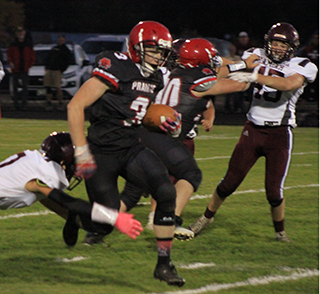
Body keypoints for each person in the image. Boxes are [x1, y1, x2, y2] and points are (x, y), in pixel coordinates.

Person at [67, 20, 186, 287]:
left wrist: (166, 122)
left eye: (162, 51)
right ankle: (76, 217)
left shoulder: (156, 76)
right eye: (153, 49)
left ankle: (164, 265)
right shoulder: (116, 65)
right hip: (101, 152)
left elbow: (138, 113)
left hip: (131, 147)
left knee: (167, 192)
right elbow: (75, 106)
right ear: (135, 47)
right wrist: (81, 151)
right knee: (105, 223)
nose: (158, 56)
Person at [188, 22, 318, 242]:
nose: (276, 48)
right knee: (229, 181)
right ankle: (206, 217)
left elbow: (288, 84)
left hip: (279, 133)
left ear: (292, 47)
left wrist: (255, 77)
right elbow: (238, 64)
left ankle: (280, 232)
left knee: (274, 191)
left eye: (282, 44)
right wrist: (221, 61)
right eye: (274, 43)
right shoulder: (255, 55)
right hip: (252, 129)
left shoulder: (303, 65)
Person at [120, 38, 259, 241]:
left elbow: (216, 73)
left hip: (146, 133)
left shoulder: (177, 73)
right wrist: (252, 76)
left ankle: (96, 225)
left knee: (134, 190)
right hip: (166, 137)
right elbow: (236, 85)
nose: (214, 60)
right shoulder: (197, 76)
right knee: (190, 175)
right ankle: (169, 220)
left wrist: (242, 65)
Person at [0, 132, 143, 247]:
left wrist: (73, 219)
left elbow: (47, 198)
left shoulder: (34, 160)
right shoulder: (47, 174)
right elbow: (67, 201)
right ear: (63, 161)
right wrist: (113, 217)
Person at [6, 26, 35, 110]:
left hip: (25, 68)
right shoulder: (13, 43)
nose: (20, 34)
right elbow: (9, 54)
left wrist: (30, 64)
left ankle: (24, 103)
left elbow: (32, 55)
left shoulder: (28, 44)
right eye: (18, 32)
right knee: (15, 87)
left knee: (25, 87)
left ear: (24, 33)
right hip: (15, 68)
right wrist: (10, 62)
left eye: (21, 32)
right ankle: (16, 103)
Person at [44, 35, 71, 111]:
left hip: (57, 71)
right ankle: (49, 102)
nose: (60, 41)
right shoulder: (54, 49)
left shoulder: (65, 50)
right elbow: (48, 58)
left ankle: (60, 103)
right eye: (59, 40)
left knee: (57, 87)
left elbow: (67, 61)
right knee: (48, 87)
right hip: (50, 70)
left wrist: (61, 69)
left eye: (62, 40)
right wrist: (47, 67)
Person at [297, 31, 319, 109]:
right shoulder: (307, 49)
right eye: (315, 38)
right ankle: (301, 109)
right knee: (305, 90)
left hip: (318, 74)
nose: (316, 40)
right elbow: (299, 59)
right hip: (308, 73)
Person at [224, 44, 242, 113]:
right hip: (229, 78)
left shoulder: (238, 58)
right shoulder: (226, 58)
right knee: (228, 95)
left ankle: (237, 107)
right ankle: (227, 108)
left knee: (237, 95)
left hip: (237, 78)